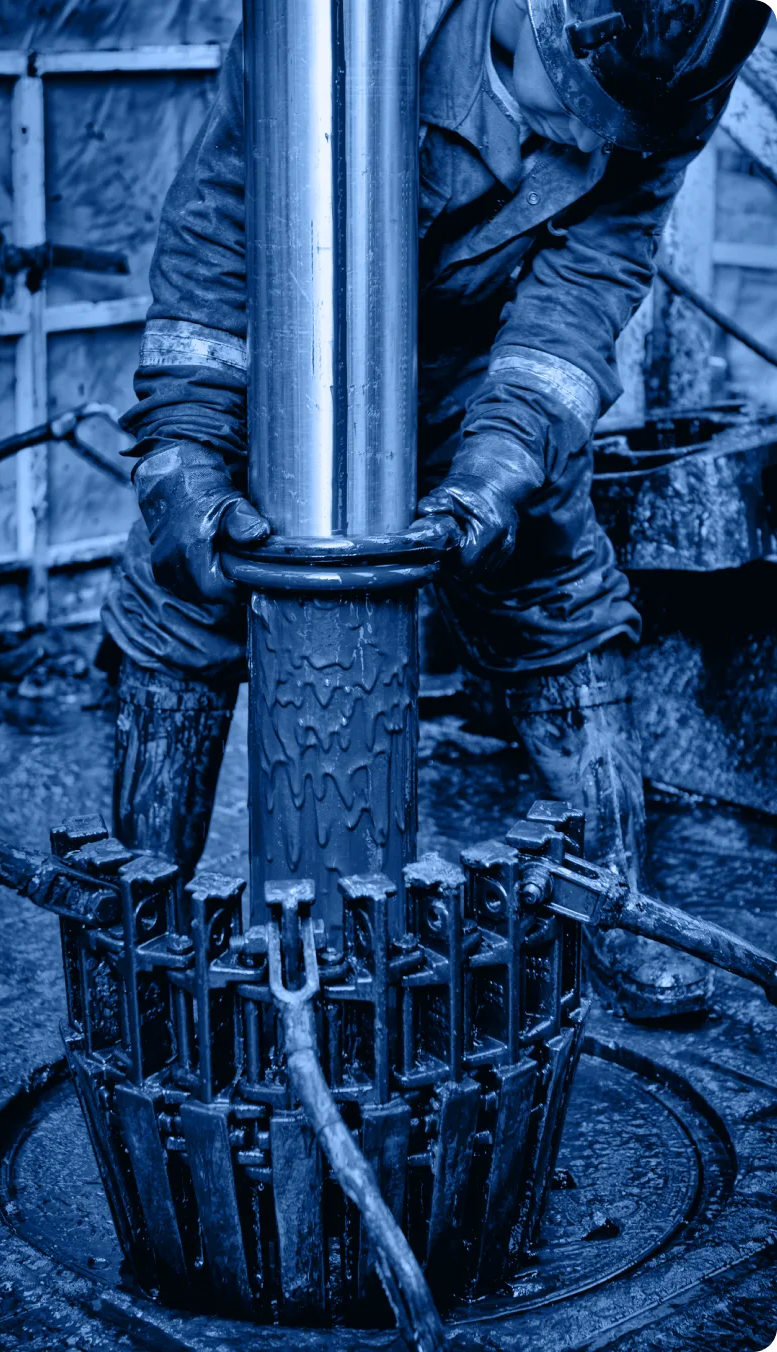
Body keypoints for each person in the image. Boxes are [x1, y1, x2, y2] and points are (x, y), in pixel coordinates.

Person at [102, 0, 770, 1020]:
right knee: (178, 592)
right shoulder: (343, 29)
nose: (590, 141)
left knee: (556, 582)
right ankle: (135, 940)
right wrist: (187, 447)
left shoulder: (673, 88)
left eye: (615, 127)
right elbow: (218, 226)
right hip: (290, 343)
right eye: (575, 105)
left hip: (472, 365)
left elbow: (585, 290)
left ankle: (614, 907)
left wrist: (501, 464)